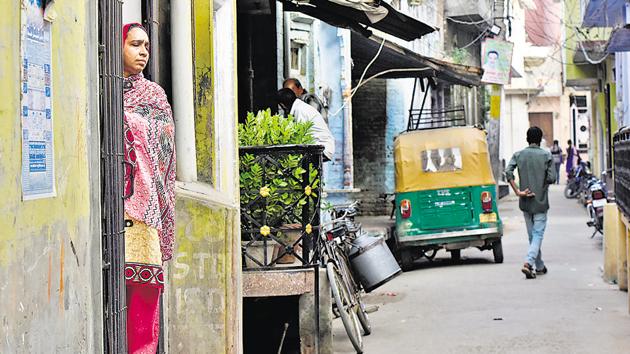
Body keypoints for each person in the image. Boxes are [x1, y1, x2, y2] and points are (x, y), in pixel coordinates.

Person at [122, 23, 176, 353]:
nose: (143, 52)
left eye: (146, 45)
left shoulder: (153, 96)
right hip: (114, 206)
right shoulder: (105, 92)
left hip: (147, 211)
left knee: (144, 293)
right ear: (117, 48)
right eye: (134, 44)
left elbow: (166, 155)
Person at [505, 127, 556, 279]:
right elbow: (552, 178)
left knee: (532, 236)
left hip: (525, 201)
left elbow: (508, 172)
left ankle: (539, 265)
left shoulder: (519, 155)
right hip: (540, 201)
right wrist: (541, 184)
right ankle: (528, 263)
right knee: (538, 234)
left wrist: (518, 191)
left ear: (527, 139)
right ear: (540, 140)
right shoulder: (546, 155)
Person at [277, 88, 335, 161]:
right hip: (320, 146)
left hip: (322, 148)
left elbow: (299, 136)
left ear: (282, 105)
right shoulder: (300, 107)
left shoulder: (300, 110)